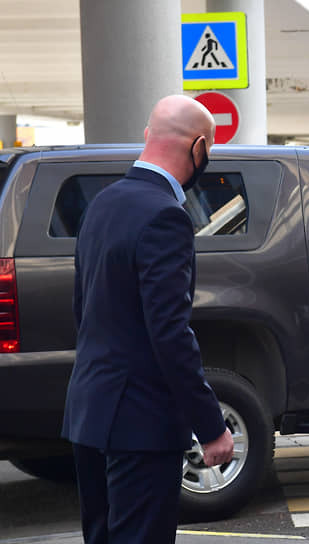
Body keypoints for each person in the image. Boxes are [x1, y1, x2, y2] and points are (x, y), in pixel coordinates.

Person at [62, 94, 234, 544]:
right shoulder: (165, 216)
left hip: (90, 413)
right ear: (199, 148)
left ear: (147, 136)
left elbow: (84, 308)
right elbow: (170, 333)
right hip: (140, 423)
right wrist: (211, 426)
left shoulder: (101, 204)